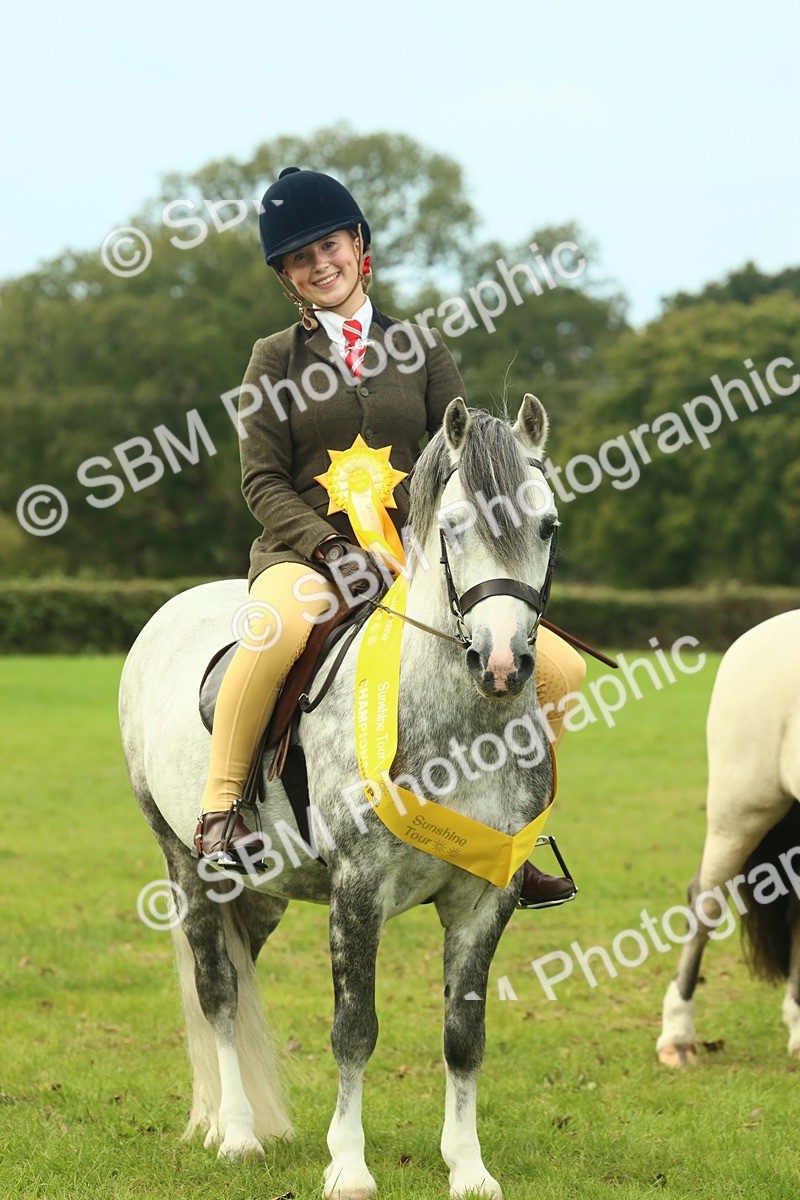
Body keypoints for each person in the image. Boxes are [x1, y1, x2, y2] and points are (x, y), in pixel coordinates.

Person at [195, 167, 586, 907]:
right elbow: (262, 483)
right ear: (288, 279)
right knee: (275, 631)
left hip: (418, 563)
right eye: (300, 258)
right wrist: (332, 550)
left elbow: (467, 462)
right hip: (307, 557)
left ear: (359, 246)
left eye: (330, 245)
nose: (320, 264)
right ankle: (220, 813)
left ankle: (511, 834)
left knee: (560, 670)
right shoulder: (272, 361)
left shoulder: (422, 350)